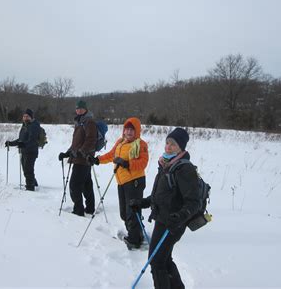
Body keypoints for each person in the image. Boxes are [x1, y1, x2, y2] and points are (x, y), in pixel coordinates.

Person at [130, 128, 200, 288]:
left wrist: (179, 217)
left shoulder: (184, 169)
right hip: (163, 220)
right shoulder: (167, 165)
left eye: (173, 144)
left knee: (156, 262)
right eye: (167, 143)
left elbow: (193, 202)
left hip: (173, 224)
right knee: (164, 259)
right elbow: (161, 196)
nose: (168, 147)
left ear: (181, 147)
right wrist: (142, 203)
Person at [89, 117, 149, 250]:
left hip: (135, 182)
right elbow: (111, 155)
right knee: (124, 213)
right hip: (121, 181)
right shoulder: (120, 142)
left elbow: (143, 163)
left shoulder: (141, 144)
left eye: (132, 130)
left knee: (132, 212)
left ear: (137, 131)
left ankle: (134, 240)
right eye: (127, 129)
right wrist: (97, 160)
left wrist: (127, 163)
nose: (128, 132)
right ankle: (136, 232)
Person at [58, 100, 96, 216]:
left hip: (83, 159)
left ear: (85, 109)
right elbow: (76, 143)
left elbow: (91, 139)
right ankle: (90, 208)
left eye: (81, 108)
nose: (79, 110)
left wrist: (80, 152)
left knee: (74, 185)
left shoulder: (89, 122)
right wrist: (67, 153)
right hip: (80, 158)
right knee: (86, 184)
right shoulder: (79, 122)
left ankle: (78, 210)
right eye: (77, 108)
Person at [5, 109, 42, 191]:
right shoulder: (25, 126)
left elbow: (32, 140)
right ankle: (33, 183)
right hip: (24, 151)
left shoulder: (34, 126)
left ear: (31, 117)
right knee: (26, 169)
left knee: (28, 170)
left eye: (27, 116)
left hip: (31, 151)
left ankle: (30, 187)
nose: (25, 118)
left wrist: (23, 144)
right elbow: (21, 139)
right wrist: (11, 143)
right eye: (24, 116)